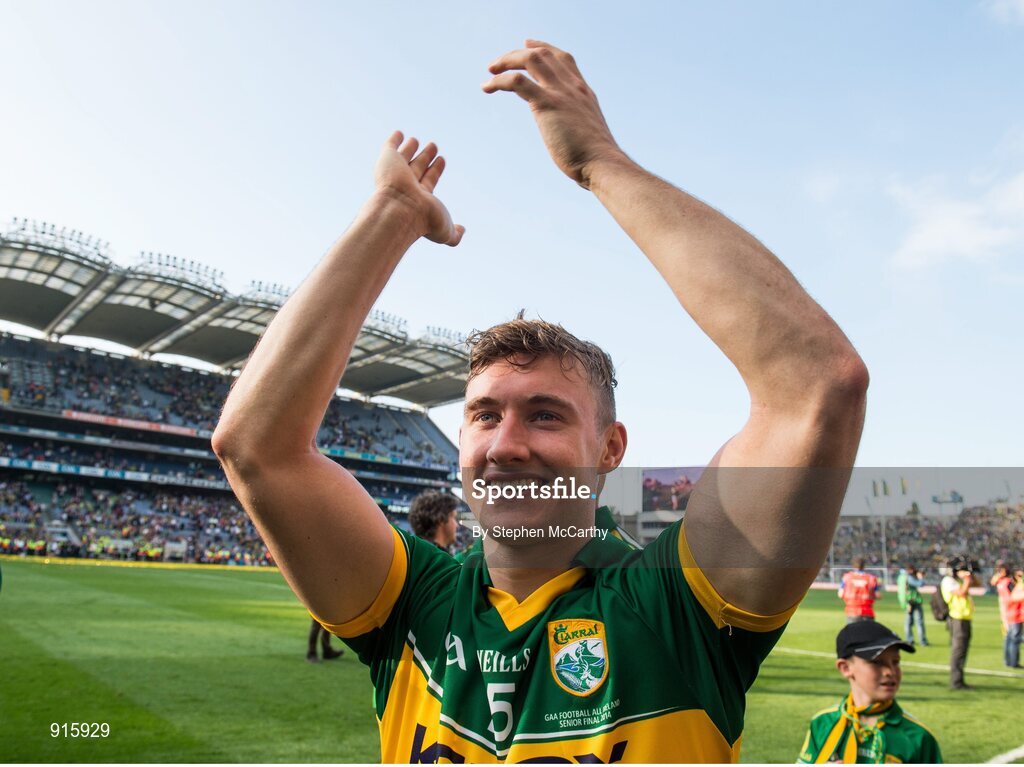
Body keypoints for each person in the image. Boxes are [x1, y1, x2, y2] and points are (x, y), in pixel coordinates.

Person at [213, 40, 868, 762]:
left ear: (609, 449)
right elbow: (257, 446)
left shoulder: (677, 604)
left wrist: (600, 162)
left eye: (546, 413)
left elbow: (814, 386)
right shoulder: (412, 603)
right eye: (484, 415)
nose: (507, 442)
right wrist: (392, 212)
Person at [796, 621, 942, 763]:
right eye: (877, 662)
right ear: (845, 668)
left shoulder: (918, 736)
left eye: (895, 662)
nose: (890, 671)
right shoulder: (822, 723)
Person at [940, 556, 980, 690]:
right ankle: (956, 682)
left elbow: (977, 584)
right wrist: (967, 578)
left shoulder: (956, 580)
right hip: (958, 619)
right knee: (958, 651)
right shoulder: (948, 581)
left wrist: (970, 575)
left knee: (962, 650)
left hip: (964, 618)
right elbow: (962, 593)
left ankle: (959, 681)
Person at [839, 557, 882, 623]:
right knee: (867, 632)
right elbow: (878, 595)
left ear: (853, 566)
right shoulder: (871, 578)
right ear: (864, 566)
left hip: (852, 611)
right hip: (867, 612)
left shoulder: (847, 577)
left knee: (853, 632)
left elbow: (840, 594)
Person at [998, 565, 1024, 669]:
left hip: (1010, 613)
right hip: (1015, 614)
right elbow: (1014, 597)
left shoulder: (1007, 583)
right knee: (1014, 639)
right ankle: (1013, 662)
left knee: (1009, 638)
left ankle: (1008, 661)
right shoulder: (1014, 585)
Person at [896, 565, 928, 646]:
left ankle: (910, 640)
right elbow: (920, 584)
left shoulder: (902, 577)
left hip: (908, 601)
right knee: (918, 622)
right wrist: (921, 578)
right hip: (913, 601)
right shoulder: (909, 578)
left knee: (909, 622)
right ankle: (921, 641)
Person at [991, 561, 1012, 635]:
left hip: (1010, 600)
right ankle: (1007, 631)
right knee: (1004, 617)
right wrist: (999, 574)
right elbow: (993, 582)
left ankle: (1010, 631)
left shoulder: (1009, 579)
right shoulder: (999, 579)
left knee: (1010, 617)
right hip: (1002, 600)